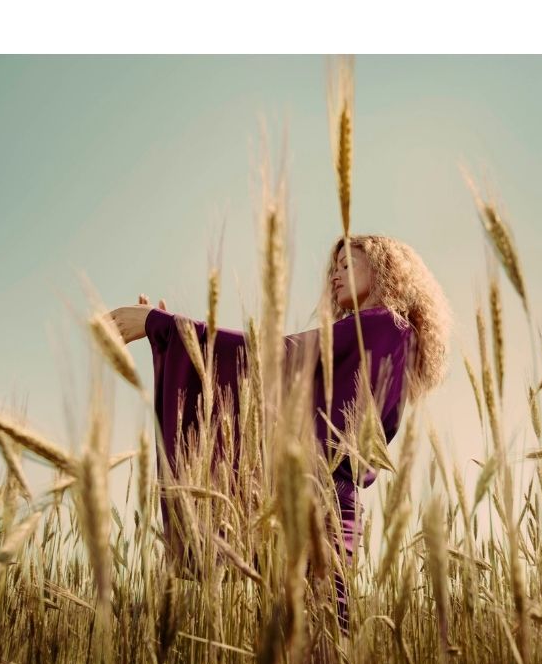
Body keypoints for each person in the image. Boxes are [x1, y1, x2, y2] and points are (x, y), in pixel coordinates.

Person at [109, 234, 451, 636]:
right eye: (334, 268)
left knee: (313, 640)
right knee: (308, 640)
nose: (335, 276)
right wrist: (177, 341)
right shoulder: (376, 334)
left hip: (318, 504)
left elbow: (278, 356)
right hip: (309, 499)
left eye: (349, 265)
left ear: (384, 272)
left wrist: (170, 331)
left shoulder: (384, 326)